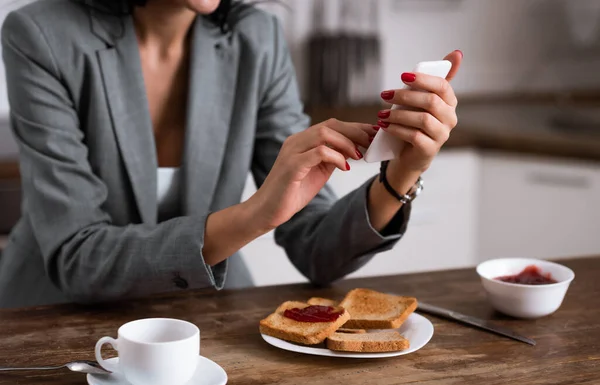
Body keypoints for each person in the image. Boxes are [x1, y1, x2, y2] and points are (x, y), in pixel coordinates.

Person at [0, 0, 462, 308]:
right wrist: (254, 215)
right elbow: (78, 257)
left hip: (208, 316)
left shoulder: (256, 38)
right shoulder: (41, 35)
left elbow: (318, 250)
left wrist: (400, 174)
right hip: (55, 319)